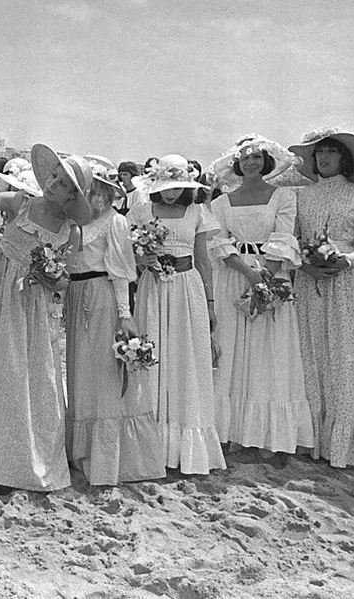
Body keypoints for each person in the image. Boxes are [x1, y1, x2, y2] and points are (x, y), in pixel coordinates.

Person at [0, 144, 90, 492]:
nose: (55, 183)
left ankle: (24, 462)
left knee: (34, 377)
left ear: (74, 194)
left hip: (33, 306)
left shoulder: (71, 231)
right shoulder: (19, 203)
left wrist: (48, 273)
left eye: (65, 182)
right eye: (55, 175)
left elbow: (65, 282)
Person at [207, 135, 313, 465]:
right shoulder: (221, 203)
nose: (251, 162)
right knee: (233, 349)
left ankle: (270, 435)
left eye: (257, 157)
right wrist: (247, 272)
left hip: (272, 275)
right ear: (236, 163)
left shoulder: (283, 196)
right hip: (235, 277)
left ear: (266, 162)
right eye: (245, 158)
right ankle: (235, 433)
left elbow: (284, 237)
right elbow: (219, 243)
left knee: (270, 352)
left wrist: (264, 271)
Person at [288, 129, 354, 468]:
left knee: (350, 355)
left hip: (349, 284)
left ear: (345, 158)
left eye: (332, 151)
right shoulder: (301, 196)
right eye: (319, 153)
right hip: (310, 283)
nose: (325, 157)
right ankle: (315, 438)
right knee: (313, 353)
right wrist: (306, 265)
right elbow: (289, 241)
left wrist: (346, 260)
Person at [66, 158, 164, 484]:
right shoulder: (73, 221)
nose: (89, 194)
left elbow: (121, 273)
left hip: (102, 298)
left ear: (106, 191)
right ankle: (80, 453)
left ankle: (107, 461)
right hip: (74, 296)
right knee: (80, 374)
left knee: (104, 376)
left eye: (94, 188)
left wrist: (125, 314)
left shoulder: (114, 222)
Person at [127, 154, 226, 475]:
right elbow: (128, 251)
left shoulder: (197, 211)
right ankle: (149, 440)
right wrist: (142, 260)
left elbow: (203, 260)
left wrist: (211, 304)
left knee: (185, 357)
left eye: (177, 186)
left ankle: (185, 445)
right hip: (152, 288)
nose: (171, 193)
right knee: (152, 353)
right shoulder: (142, 210)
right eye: (166, 186)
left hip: (187, 288)